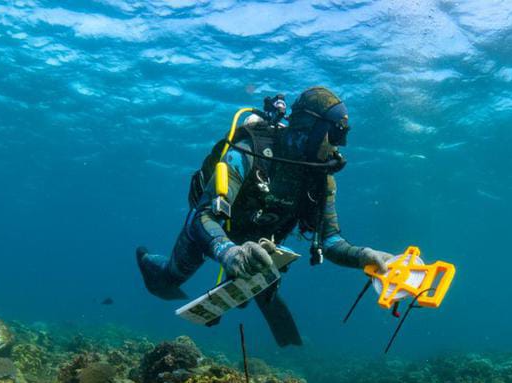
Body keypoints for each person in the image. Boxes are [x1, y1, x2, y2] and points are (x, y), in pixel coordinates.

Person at [136, 86, 393, 346]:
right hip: (212, 233)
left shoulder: (321, 180)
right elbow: (204, 216)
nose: (340, 145)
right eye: (336, 133)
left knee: (247, 292)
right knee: (169, 279)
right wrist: (229, 252)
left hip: (259, 247)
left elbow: (331, 241)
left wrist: (365, 256)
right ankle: (146, 260)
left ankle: (249, 283)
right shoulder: (250, 151)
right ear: (312, 128)